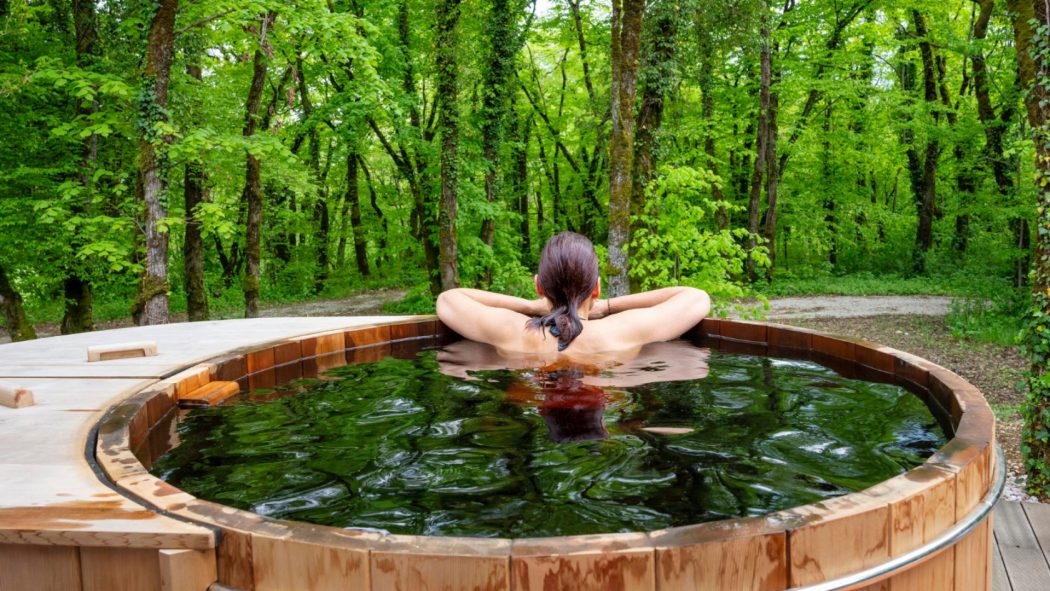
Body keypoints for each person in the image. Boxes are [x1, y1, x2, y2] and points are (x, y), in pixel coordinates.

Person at [435, 231, 711, 356]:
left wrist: (534, 307)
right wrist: (608, 307)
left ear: (539, 286)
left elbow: (449, 299)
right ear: (597, 287)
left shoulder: (513, 331)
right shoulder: (622, 330)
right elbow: (697, 298)